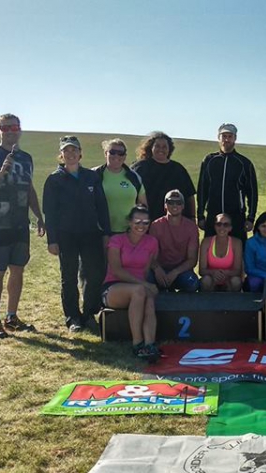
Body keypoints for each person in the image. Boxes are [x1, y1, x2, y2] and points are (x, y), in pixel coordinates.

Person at [0, 113, 45, 338]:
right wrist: (1, 173)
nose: (11, 131)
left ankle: (11, 317)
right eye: (6, 128)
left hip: (20, 223)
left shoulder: (26, 158)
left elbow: (29, 188)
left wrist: (38, 215)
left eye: (15, 127)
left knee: (18, 269)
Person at [43, 136, 111, 333]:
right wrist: (52, 240)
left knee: (93, 274)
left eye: (74, 150)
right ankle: (72, 317)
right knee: (69, 275)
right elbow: (50, 212)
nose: (71, 154)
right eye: (66, 151)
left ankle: (89, 313)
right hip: (66, 235)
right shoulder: (54, 179)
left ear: (80, 153)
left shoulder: (91, 177)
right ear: (61, 155)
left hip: (90, 233)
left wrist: (105, 233)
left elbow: (102, 207)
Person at [100, 206, 160, 359]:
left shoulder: (152, 242)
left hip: (139, 288)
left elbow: (145, 271)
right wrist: (145, 285)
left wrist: (146, 286)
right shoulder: (116, 240)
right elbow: (116, 270)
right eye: (137, 222)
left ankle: (150, 345)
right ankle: (137, 343)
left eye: (146, 223)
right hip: (113, 287)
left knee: (149, 298)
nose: (141, 226)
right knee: (140, 291)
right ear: (129, 222)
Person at [197, 123, 257, 241]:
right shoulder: (209, 160)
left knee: (238, 249)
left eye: (230, 136)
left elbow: (252, 193)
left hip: (236, 216)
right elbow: (202, 189)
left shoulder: (244, 163)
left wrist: (251, 218)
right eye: (224, 136)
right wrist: (200, 215)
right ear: (218, 138)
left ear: (235, 138)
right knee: (210, 247)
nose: (227, 140)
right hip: (213, 215)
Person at [131, 131, 195, 223]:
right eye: (157, 146)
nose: (161, 149)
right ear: (151, 148)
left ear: (169, 149)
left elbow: (190, 196)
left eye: (164, 147)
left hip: (174, 222)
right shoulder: (139, 168)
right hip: (145, 221)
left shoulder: (178, 169)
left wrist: (192, 217)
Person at [148, 189, 200, 292]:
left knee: (193, 283)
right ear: (165, 205)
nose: (174, 205)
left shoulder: (191, 227)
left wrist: (175, 272)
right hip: (161, 270)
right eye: (170, 202)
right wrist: (157, 269)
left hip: (181, 271)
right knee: (146, 278)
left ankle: (177, 299)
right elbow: (150, 254)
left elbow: (192, 260)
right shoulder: (155, 225)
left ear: (183, 206)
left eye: (178, 202)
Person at [93, 138, 147, 233]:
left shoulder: (134, 177)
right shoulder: (94, 174)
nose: (116, 156)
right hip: (100, 232)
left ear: (125, 156)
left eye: (120, 153)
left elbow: (143, 204)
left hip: (128, 232)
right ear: (105, 153)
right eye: (112, 152)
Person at [199, 213, 243, 292]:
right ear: (215, 226)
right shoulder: (206, 242)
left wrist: (225, 274)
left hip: (229, 278)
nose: (222, 227)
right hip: (212, 278)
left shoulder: (237, 243)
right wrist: (213, 273)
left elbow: (238, 270)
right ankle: (207, 299)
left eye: (226, 225)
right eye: (219, 224)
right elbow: (201, 270)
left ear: (230, 228)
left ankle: (232, 299)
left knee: (236, 281)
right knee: (205, 280)